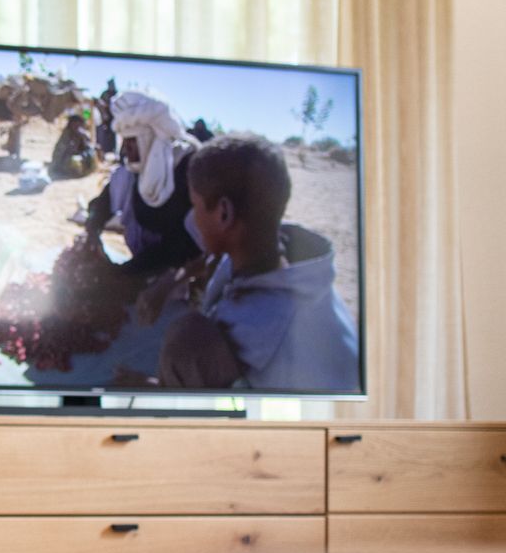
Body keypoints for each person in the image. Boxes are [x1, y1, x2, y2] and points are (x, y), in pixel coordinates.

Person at [148, 132, 358, 392]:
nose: (193, 217)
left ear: (224, 213)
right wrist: (172, 281)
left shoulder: (256, 338)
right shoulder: (274, 254)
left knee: (187, 339)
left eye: (196, 205)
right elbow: (213, 260)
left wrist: (158, 388)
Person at [79, 89, 207, 273]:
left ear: (150, 138)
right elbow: (101, 205)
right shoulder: (130, 172)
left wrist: (130, 272)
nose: (125, 149)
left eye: (131, 141)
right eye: (124, 141)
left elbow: (185, 243)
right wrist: (92, 233)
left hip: (180, 275)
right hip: (141, 267)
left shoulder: (187, 170)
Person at [49, 110, 96, 179]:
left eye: (79, 124)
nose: (77, 126)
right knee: (75, 160)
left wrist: (83, 138)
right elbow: (60, 153)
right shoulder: (66, 136)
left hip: (78, 156)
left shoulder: (81, 134)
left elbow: (86, 146)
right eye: (75, 124)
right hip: (65, 160)